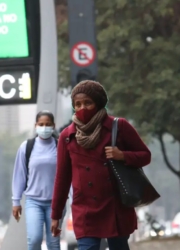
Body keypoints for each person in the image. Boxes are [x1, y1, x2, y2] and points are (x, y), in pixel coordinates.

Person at [50, 80, 151, 250]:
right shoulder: (67, 136)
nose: (82, 108)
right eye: (78, 104)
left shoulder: (119, 127)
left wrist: (122, 155)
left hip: (116, 206)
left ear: (98, 103)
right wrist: (56, 215)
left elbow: (145, 156)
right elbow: (62, 179)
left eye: (88, 103)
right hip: (85, 209)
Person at [12, 110, 62, 250]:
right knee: (34, 240)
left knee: (53, 243)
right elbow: (19, 175)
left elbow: (68, 175)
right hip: (34, 202)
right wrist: (16, 201)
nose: (44, 127)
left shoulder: (61, 147)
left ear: (53, 125)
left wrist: (73, 199)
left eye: (48, 124)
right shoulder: (26, 147)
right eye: (41, 124)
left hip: (56, 203)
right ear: (35, 125)